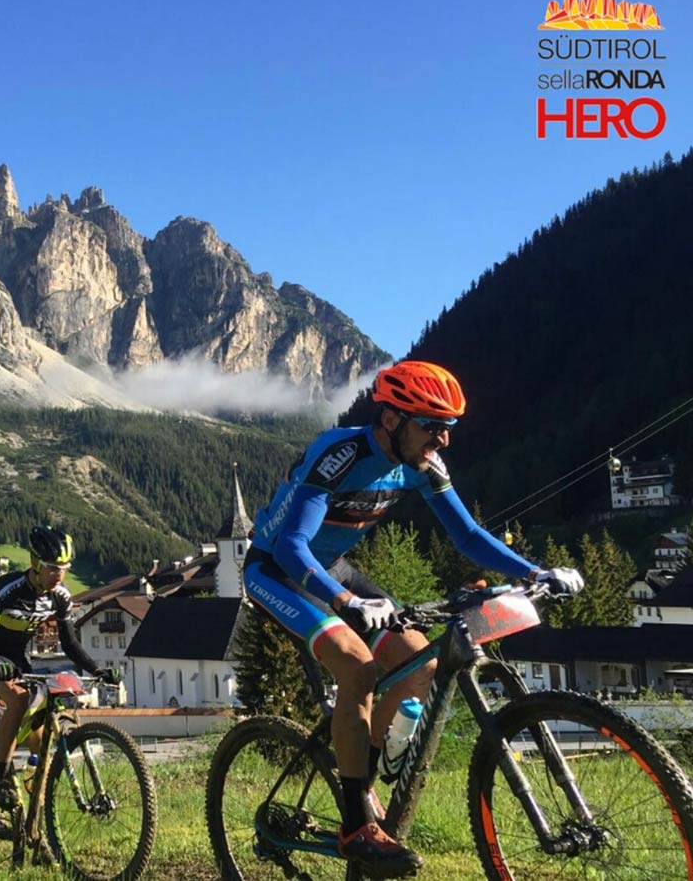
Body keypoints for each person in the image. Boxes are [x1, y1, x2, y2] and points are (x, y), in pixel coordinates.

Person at [244, 360, 584, 878]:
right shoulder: (340, 453)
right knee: (358, 668)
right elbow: (291, 546)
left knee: (418, 664)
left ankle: (359, 774)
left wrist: (537, 571)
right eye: (432, 425)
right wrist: (343, 603)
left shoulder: (422, 464)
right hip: (278, 570)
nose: (443, 440)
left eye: (449, 428)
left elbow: (467, 536)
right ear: (390, 419)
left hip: (334, 567)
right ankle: (358, 827)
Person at [0, 525, 120, 811]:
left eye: (64, 568)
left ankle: (38, 806)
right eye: (52, 568)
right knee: (18, 700)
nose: (59, 575)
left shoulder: (60, 596)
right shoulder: (7, 588)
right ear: (35, 564)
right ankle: (1, 776)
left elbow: (71, 644)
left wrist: (97, 670)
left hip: (20, 661)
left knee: (39, 735)